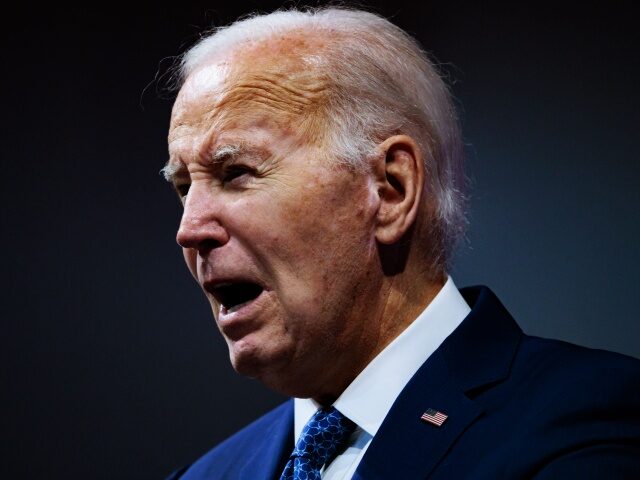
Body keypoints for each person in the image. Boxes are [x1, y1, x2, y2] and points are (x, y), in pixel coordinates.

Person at [162, 7, 640, 479]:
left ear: (390, 188)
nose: (190, 228)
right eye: (184, 188)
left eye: (236, 173)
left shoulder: (590, 425)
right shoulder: (205, 475)